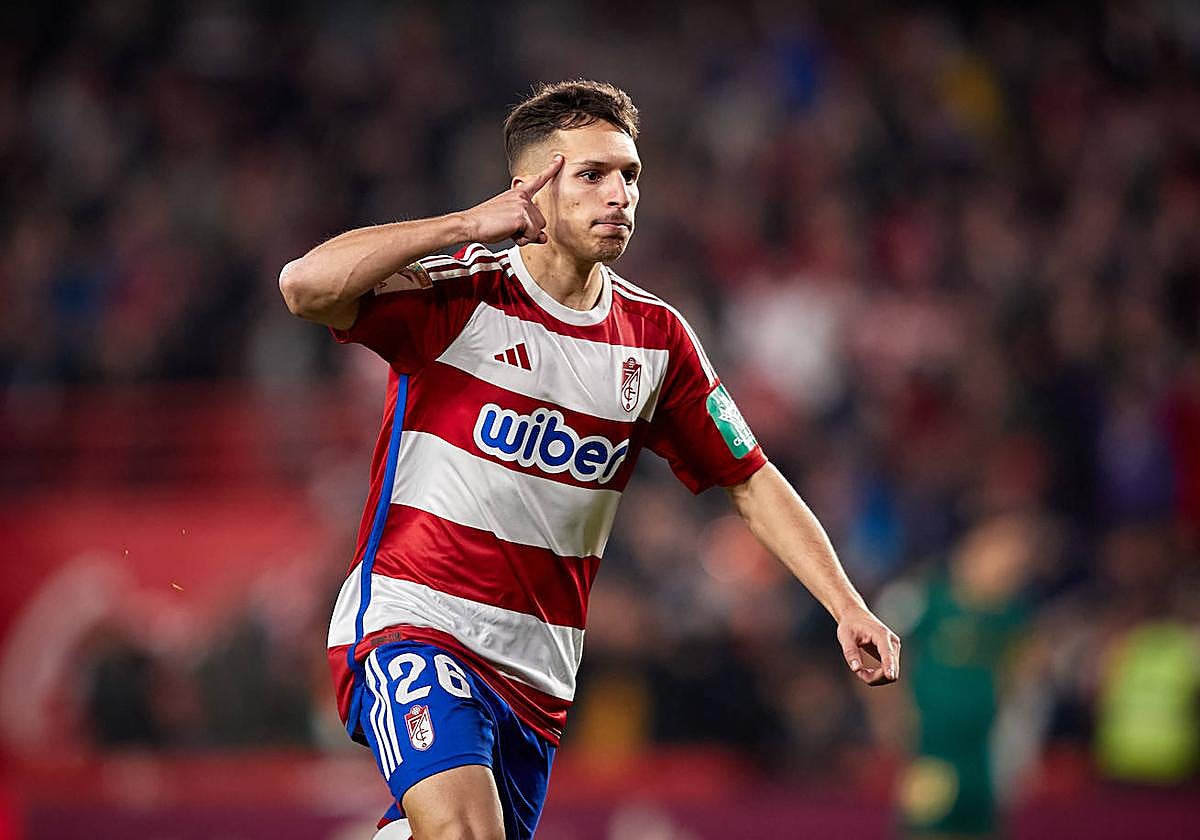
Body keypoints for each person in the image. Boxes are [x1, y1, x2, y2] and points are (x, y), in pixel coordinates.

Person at [278, 80, 900, 840]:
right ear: (532, 191)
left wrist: (846, 604)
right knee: (466, 834)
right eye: (594, 175)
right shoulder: (463, 294)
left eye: (630, 176)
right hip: (414, 622)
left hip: (538, 674)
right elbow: (303, 286)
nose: (620, 196)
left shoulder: (656, 338)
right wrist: (468, 224)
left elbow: (750, 478)